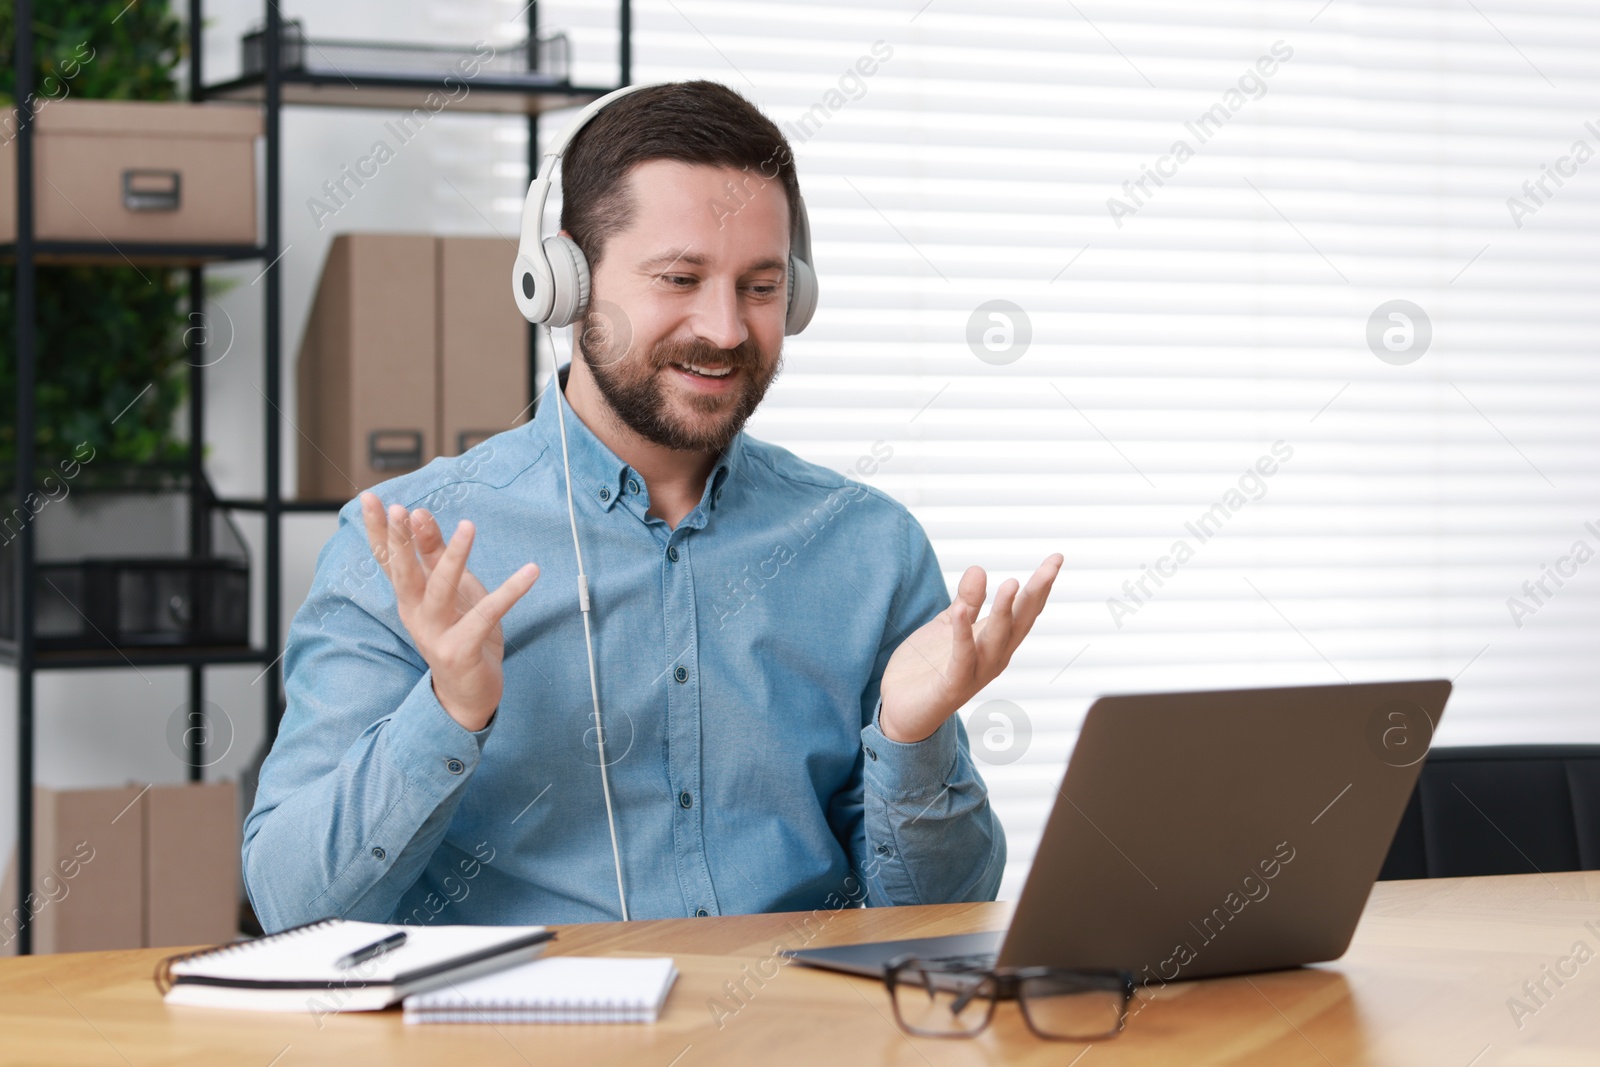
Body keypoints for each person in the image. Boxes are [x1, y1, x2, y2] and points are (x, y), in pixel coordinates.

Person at [243, 80, 1063, 932]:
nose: (725, 328)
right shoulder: (409, 543)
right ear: (560, 280)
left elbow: (947, 924)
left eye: (760, 285)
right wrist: (447, 710)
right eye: (679, 277)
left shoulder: (869, 547)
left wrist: (910, 736)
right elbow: (292, 906)